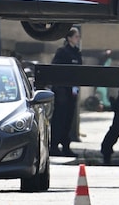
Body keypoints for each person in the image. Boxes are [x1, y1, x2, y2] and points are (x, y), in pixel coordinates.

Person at [49, 27, 82, 157]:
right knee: (59, 119)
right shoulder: (62, 52)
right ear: (69, 38)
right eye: (76, 36)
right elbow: (56, 69)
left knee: (69, 119)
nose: (78, 39)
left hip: (71, 91)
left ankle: (66, 145)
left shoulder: (77, 53)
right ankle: (54, 145)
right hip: (62, 91)